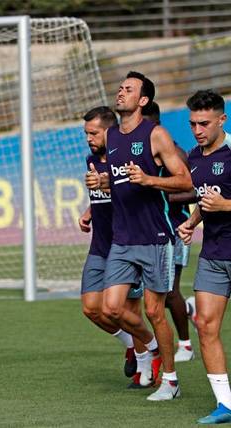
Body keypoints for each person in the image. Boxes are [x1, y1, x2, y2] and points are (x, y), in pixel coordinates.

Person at [87, 71, 193, 401]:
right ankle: (147, 349)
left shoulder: (156, 134)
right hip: (122, 239)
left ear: (142, 100)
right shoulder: (114, 136)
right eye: (120, 88)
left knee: (154, 310)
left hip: (155, 237)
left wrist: (150, 180)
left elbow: (186, 181)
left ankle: (171, 381)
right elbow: (121, 181)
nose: (121, 93)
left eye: (128, 90)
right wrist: (102, 184)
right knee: (112, 308)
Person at [79, 106, 151, 387]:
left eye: (93, 133)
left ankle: (146, 367)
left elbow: (136, 193)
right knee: (90, 308)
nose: (88, 138)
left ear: (108, 131)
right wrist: (89, 211)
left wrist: (110, 185)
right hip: (100, 245)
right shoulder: (91, 159)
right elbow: (101, 196)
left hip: (126, 244)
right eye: (86, 133)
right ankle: (133, 345)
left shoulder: (125, 159)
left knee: (129, 311)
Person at [177, 89, 231, 424]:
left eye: (205, 123)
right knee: (205, 325)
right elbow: (205, 198)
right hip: (213, 254)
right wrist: (192, 221)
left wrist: (226, 206)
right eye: (193, 123)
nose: (198, 129)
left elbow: (220, 201)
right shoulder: (195, 157)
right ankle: (226, 404)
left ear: (222, 120)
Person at [142, 101, 195, 363]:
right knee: (156, 294)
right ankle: (189, 310)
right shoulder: (140, 153)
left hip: (176, 229)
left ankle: (185, 344)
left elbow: (194, 190)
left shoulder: (176, 152)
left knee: (170, 291)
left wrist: (158, 192)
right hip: (151, 230)